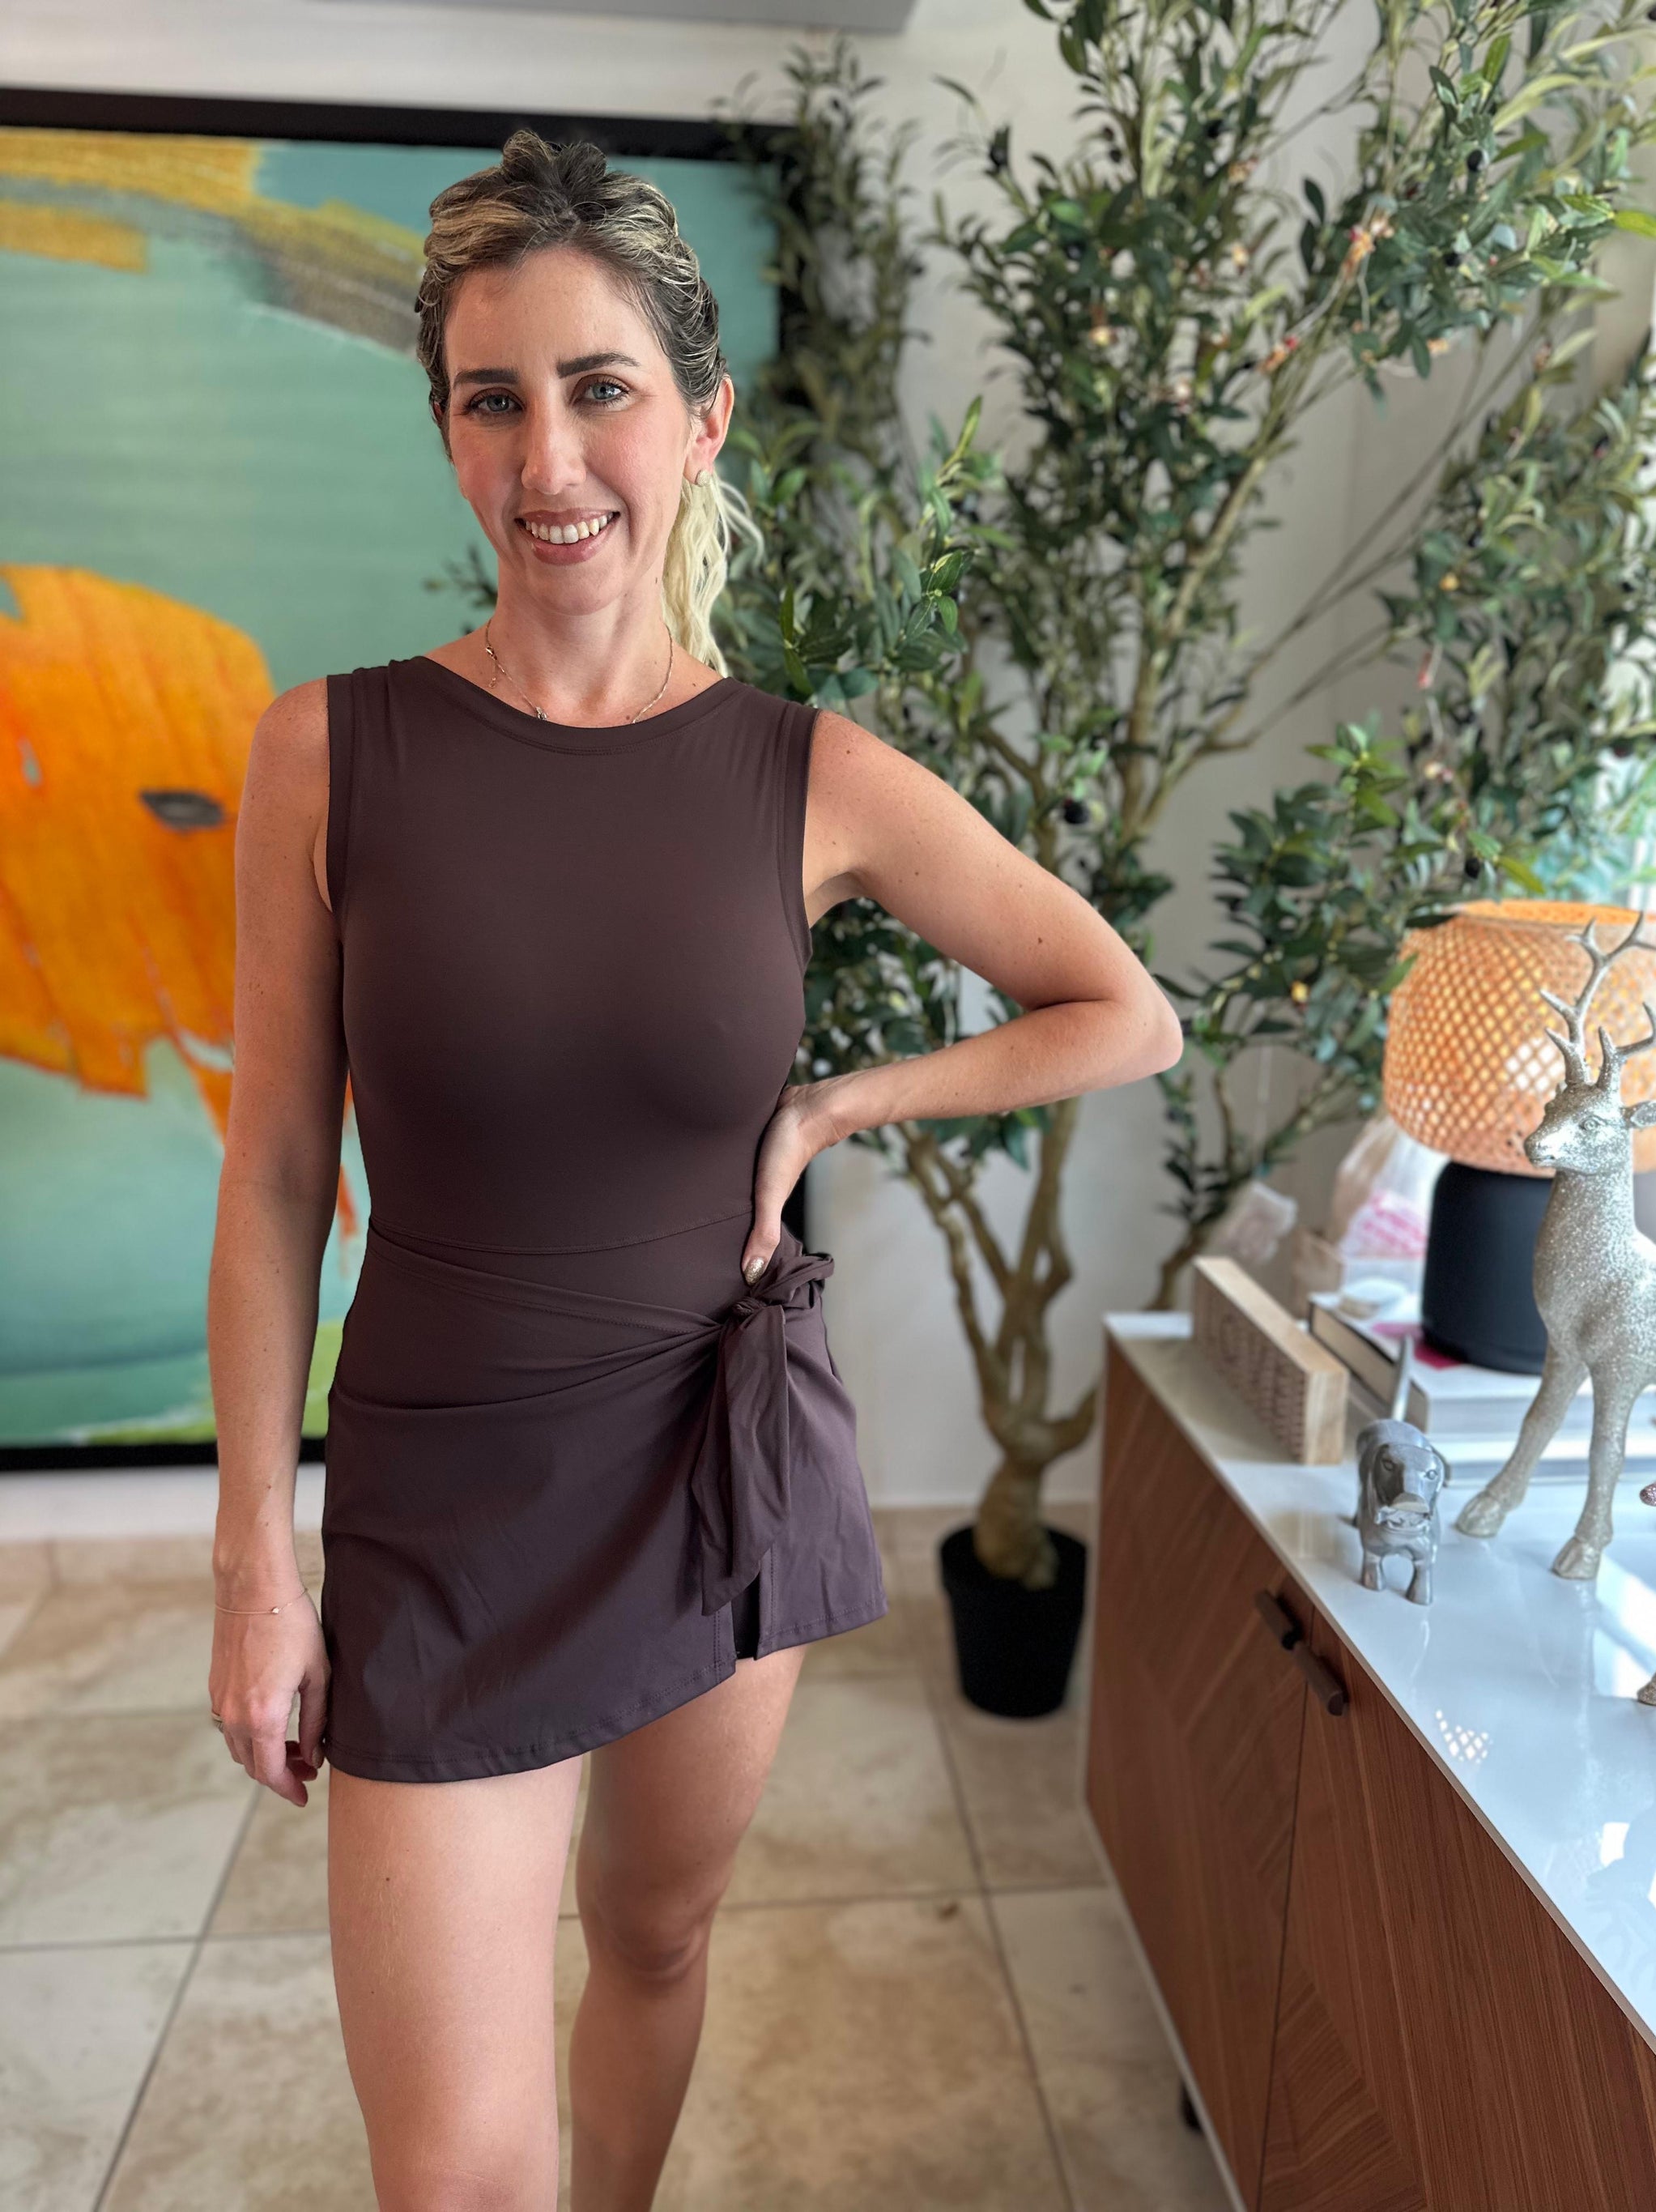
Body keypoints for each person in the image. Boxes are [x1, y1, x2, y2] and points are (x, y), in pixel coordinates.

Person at [206, 130, 1183, 2212]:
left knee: (653, 1938)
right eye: (494, 399)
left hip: (715, 1459)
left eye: (602, 389)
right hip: (445, 1498)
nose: (550, 457)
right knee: (454, 2173)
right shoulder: (329, 752)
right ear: (448, 432)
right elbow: (277, 1171)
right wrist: (254, 1560)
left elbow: (1121, 1006)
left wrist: (836, 1107)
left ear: (702, 417)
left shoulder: (804, 772)